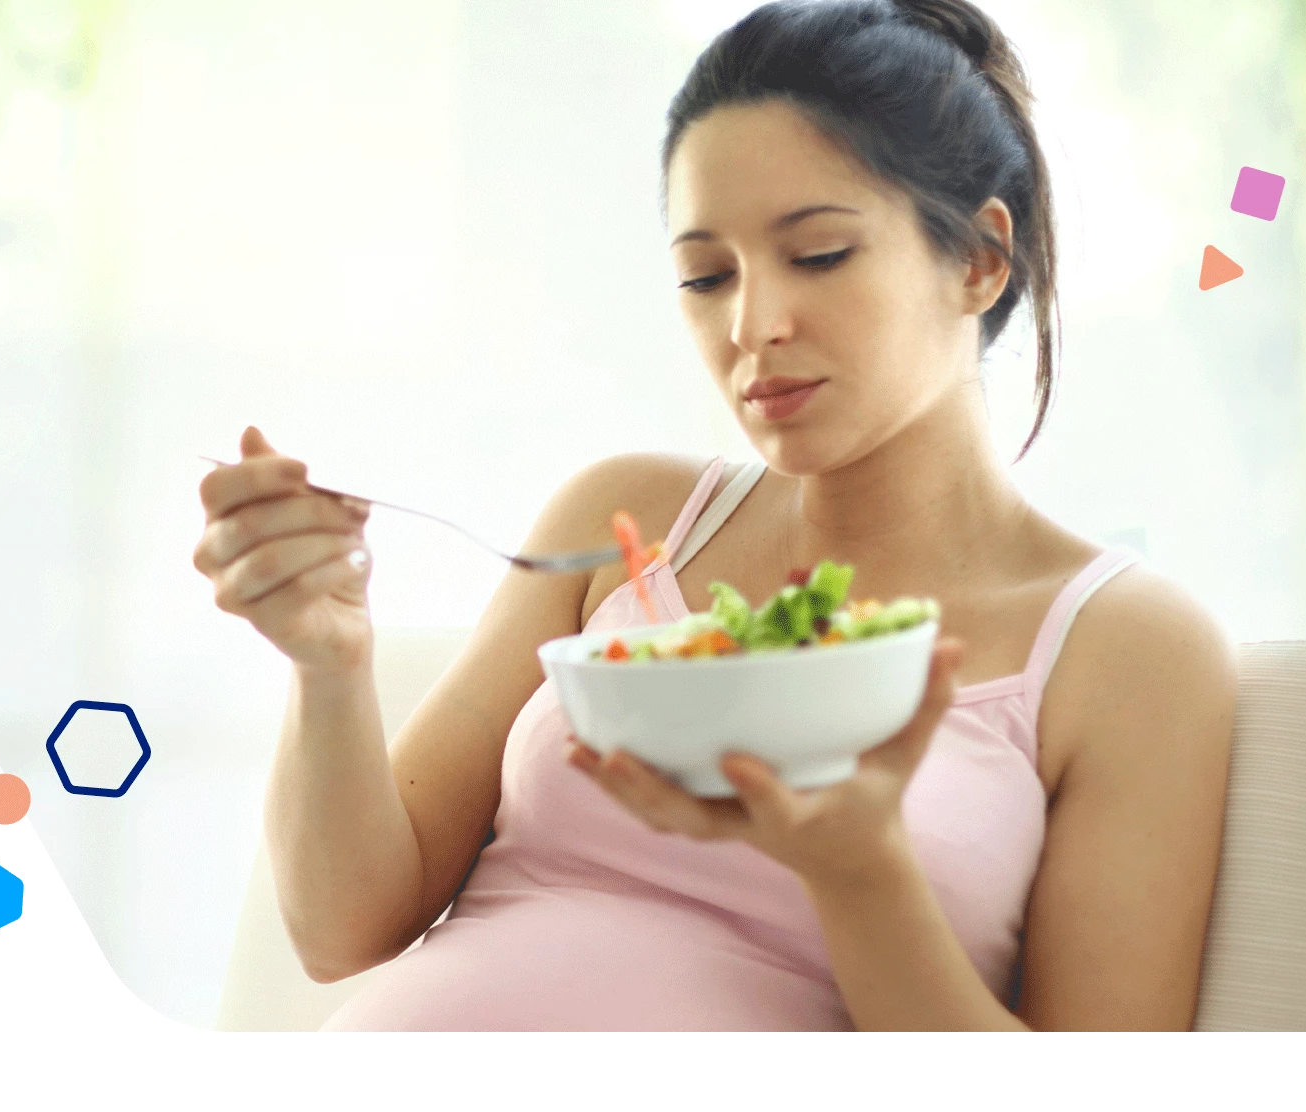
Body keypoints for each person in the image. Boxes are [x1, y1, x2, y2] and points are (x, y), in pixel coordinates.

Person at [193, 0, 1238, 1031]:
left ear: (977, 258)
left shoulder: (1131, 650)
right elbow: (341, 931)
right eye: (705, 274)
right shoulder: (629, 519)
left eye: (818, 253)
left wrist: (857, 871)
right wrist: (328, 661)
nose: (750, 326)